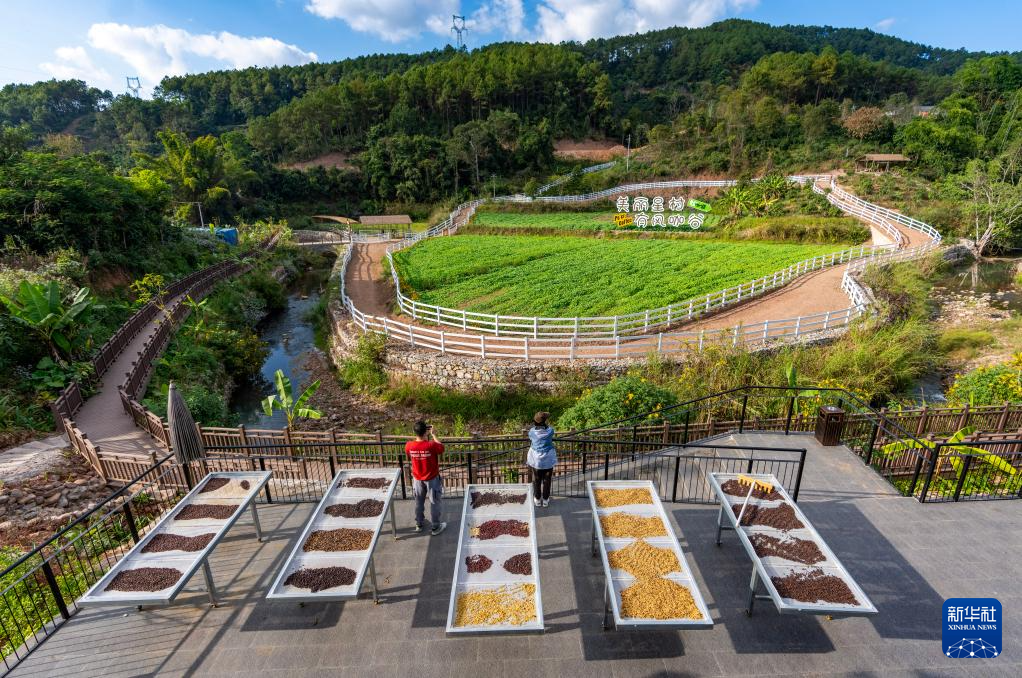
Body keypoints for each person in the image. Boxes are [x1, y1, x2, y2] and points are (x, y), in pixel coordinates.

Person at [405, 420, 446, 535]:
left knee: (418, 502)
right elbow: (441, 448)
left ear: (414, 431)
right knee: (434, 502)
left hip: (417, 479)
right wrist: (434, 434)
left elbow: (409, 453)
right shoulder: (431, 445)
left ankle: (419, 524)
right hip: (432, 479)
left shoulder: (409, 445)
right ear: (426, 432)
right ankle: (435, 527)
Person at [527, 411, 557, 507]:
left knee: (537, 479)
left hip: (536, 459)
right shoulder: (550, 431)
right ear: (545, 421)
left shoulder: (532, 432)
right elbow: (550, 430)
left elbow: (531, 437)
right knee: (547, 480)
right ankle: (545, 500)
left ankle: (537, 499)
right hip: (548, 459)